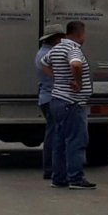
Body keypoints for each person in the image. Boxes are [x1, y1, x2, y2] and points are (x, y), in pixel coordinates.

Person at [43, 21, 96, 190]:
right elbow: (76, 64)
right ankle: (76, 178)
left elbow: (44, 63)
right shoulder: (73, 49)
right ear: (80, 34)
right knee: (76, 140)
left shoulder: (56, 48)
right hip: (72, 102)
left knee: (59, 140)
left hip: (57, 100)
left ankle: (58, 177)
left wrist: (58, 78)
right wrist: (77, 82)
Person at [36, 24, 65, 180]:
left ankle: (50, 168)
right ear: (55, 38)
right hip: (52, 97)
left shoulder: (43, 53)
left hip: (46, 97)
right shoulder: (50, 55)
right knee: (54, 134)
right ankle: (51, 168)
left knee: (52, 133)